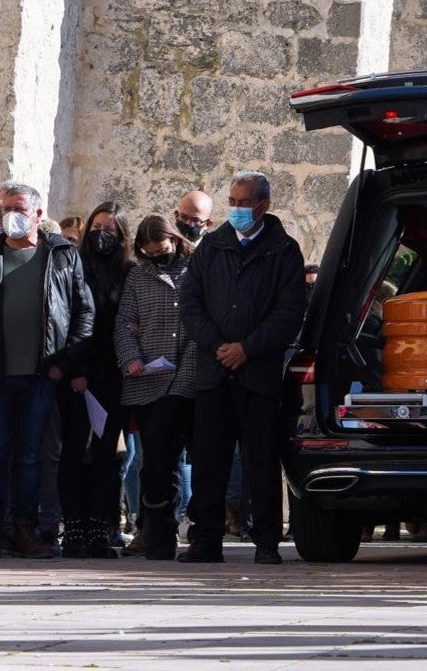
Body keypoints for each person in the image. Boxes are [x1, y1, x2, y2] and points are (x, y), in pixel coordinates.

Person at [0, 183, 94, 559]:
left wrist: (63, 365)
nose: (10, 216)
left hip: (41, 376)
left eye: (18, 208)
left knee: (31, 456)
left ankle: (27, 530)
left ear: (38, 215)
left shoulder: (62, 255)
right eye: (6, 209)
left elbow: (84, 313)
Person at [178, 170, 306, 565]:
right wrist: (217, 346)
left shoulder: (284, 251)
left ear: (263, 206)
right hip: (214, 373)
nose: (236, 209)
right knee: (210, 462)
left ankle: (266, 541)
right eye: (231, 202)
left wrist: (247, 348)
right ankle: (206, 539)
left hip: (258, 375)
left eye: (243, 203)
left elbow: (289, 312)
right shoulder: (211, 248)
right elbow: (191, 301)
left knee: (261, 462)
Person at [115, 215, 199, 560]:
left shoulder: (195, 270)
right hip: (147, 379)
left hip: (184, 379)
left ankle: (170, 530)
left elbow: (198, 326)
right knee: (155, 459)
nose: (156, 257)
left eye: (161, 250)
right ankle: (156, 530)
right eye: (148, 253)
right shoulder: (138, 275)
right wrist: (131, 357)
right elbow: (125, 322)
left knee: (171, 457)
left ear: (175, 241)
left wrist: (183, 379)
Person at [57, 201, 135, 558]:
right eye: (97, 226)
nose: (102, 234)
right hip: (78, 373)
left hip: (113, 375)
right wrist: (76, 371)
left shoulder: (128, 272)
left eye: (110, 229)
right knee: (74, 454)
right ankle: (74, 530)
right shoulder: (73, 263)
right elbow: (67, 320)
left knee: (106, 458)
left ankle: (100, 530)